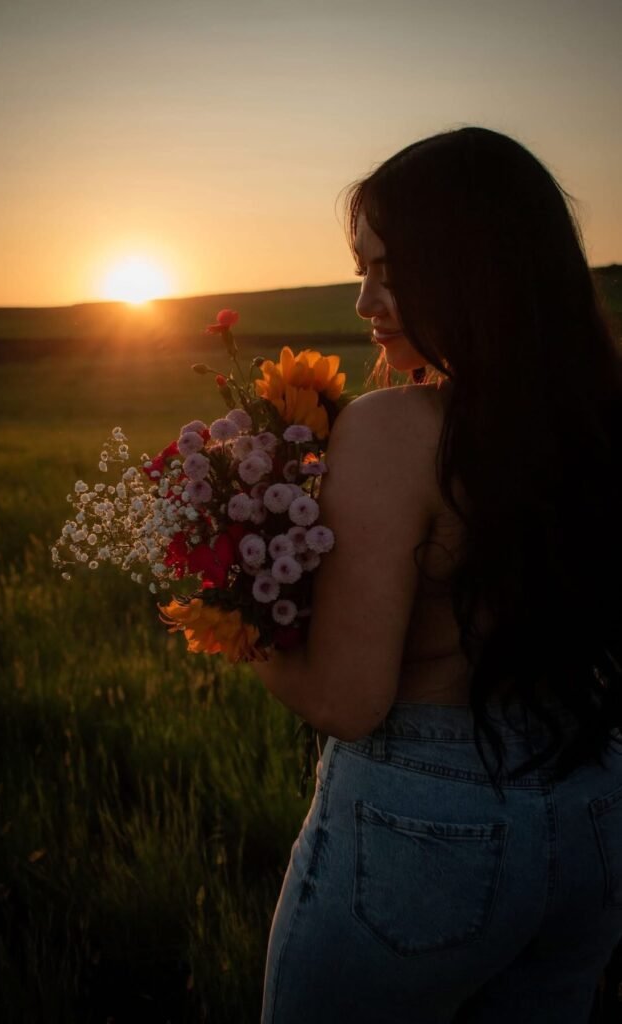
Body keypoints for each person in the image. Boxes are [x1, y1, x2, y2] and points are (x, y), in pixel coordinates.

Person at [251, 126, 622, 1023]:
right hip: (596, 808)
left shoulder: (395, 429)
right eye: (358, 268)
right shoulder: (600, 415)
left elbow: (347, 702)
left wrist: (230, 604)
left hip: (424, 821)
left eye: (389, 268)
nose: (365, 299)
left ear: (473, 267)